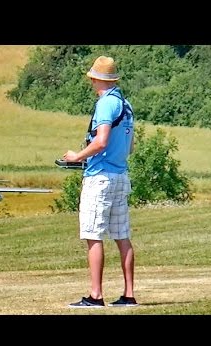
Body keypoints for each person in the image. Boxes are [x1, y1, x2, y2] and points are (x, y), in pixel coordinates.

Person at [62, 55, 138, 308]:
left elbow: (101, 140)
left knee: (93, 235)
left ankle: (96, 296)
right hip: (120, 175)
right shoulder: (125, 105)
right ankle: (128, 295)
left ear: (96, 79)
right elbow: (130, 148)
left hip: (101, 177)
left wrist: (77, 156)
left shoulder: (106, 105)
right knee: (122, 236)